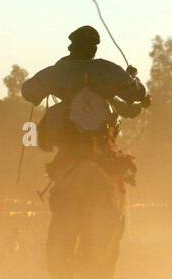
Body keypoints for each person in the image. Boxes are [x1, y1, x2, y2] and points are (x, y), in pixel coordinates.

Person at [21, 25, 149, 183]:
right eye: (93, 46)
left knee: (59, 169)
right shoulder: (108, 70)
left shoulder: (57, 71)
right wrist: (133, 78)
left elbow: (28, 91)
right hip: (100, 138)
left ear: (72, 47)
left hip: (68, 138)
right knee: (117, 167)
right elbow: (137, 93)